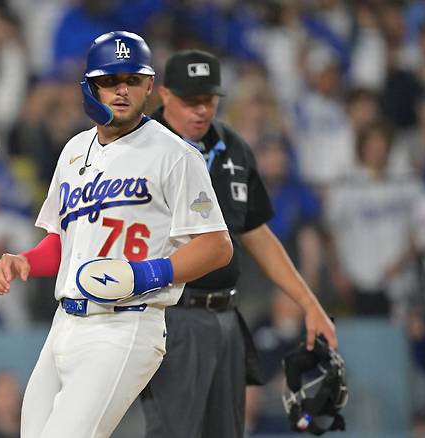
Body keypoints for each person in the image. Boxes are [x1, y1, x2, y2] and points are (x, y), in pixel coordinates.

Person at [0, 31, 233, 438]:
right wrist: (26, 260)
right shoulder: (72, 151)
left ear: (149, 86)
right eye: (110, 80)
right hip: (64, 323)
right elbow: (66, 241)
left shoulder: (175, 155)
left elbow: (216, 246)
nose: (122, 90)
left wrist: (145, 275)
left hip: (127, 324)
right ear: (90, 87)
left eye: (133, 80)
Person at [141, 49, 338, 438]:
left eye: (208, 100)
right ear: (164, 95)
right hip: (169, 316)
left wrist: (308, 302)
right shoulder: (139, 150)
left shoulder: (233, 148)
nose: (200, 110)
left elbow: (257, 233)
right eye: (189, 100)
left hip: (226, 315)